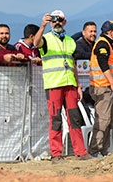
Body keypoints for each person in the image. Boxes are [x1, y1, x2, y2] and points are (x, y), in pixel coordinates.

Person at [32, 10, 90, 161]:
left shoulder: (70, 41)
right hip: (54, 85)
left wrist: (78, 86)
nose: (57, 23)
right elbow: (36, 43)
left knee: (75, 119)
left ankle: (81, 152)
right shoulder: (46, 38)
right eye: (54, 20)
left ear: (64, 22)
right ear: (51, 23)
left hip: (70, 85)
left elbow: (73, 64)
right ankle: (56, 154)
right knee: (56, 119)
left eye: (60, 20)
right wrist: (42, 26)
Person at [88, 20, 113, 157]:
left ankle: (103, 149)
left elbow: (109, 67)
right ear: (110, 32)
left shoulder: (106, 43)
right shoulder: (103, 44)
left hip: (105, 86)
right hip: (102, 86)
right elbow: (103, 64)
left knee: (108, 120)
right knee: (103, 120)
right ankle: (94, 150)